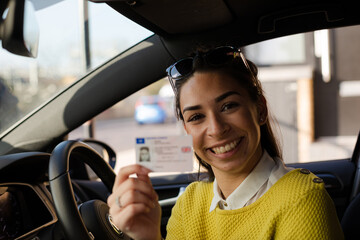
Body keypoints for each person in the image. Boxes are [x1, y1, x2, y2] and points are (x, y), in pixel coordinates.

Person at [107, 46, 344, 239]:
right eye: (197, 117)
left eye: (228, 106)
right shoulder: (189, 201)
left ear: (260, 110)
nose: (217, 129)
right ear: (186, 130)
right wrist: (146, 236)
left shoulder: (302, 199)